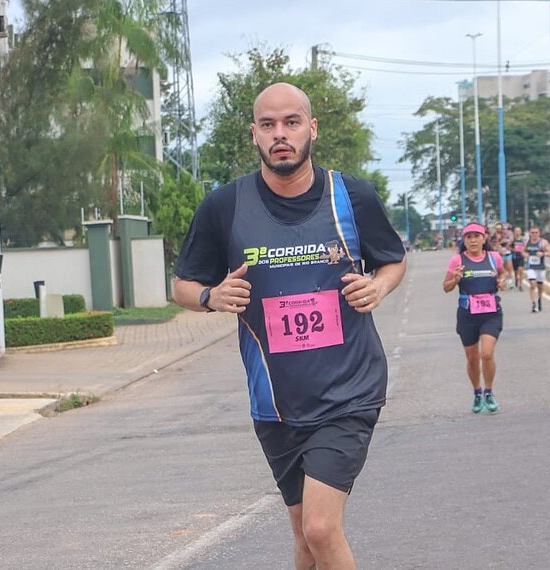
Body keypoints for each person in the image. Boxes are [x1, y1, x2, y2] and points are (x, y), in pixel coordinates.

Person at [172, 82, 407, 570]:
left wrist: (379, 288)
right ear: (254, 134)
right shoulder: (225, 206)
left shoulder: (353, 196)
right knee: (304, 539)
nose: (280, 134)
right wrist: (211, 297)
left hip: (349, 390)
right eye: (268, 124)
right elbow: (182, 285)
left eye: (291, 122)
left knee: (321, 529)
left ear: (311, 129)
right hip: (274, 403)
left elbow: (392, 261)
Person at [443, 222, 507, 414]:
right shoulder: (457, 261)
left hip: (491, 313)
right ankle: (477, 393)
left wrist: (503, 281)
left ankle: (489, 392)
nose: (473, 240)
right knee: (472, 358)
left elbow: (503, 275)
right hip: (467, 315)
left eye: (476, 236)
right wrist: (455, 278)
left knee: (486, 354)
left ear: (484, 238)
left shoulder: (494, 258)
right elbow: (446, 287)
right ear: (464, 240)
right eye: (468, 237)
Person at [524, 226, 550, 312]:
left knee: (540, 285)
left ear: (539, 233)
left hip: (540, 267)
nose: (534, 234)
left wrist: (543, 254)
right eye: (532, 233)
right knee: (532, 284)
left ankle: (539, 298)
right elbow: (523, 251)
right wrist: (525, 255)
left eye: (536, 232)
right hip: (530, 267)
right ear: (530, 233)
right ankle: (533, 303)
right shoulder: (527, 242)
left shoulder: (543, 242)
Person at [510, 226, 526, 291]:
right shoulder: (512, 239)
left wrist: (524, 251)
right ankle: (516, 278)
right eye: (516, 231)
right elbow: (508, 246)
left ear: (521, 232)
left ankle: (520, 284)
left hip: (521, 256)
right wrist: (513, 250)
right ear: (514, 232)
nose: (517, 232)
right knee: (516, 270)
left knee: (521, 269)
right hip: (514, 257)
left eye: (518, 231)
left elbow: (525, 246)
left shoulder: (523, 239)